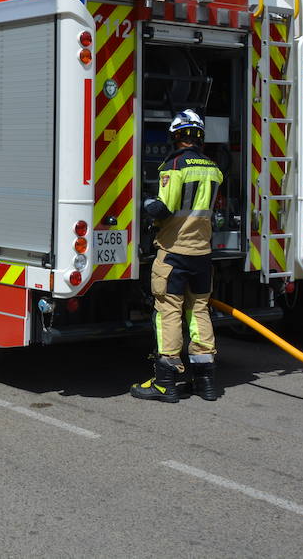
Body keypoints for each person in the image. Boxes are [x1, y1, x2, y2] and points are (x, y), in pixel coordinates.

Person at [131, 109, 225, 404]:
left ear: (175, 136)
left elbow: (163, 208)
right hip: (202, 254)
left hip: (173, 253)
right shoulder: (213, 168)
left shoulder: (173, 165)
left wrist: (144, 204)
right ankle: (205, 382)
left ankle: (165, 383)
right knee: (199, 312)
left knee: (168, 312)